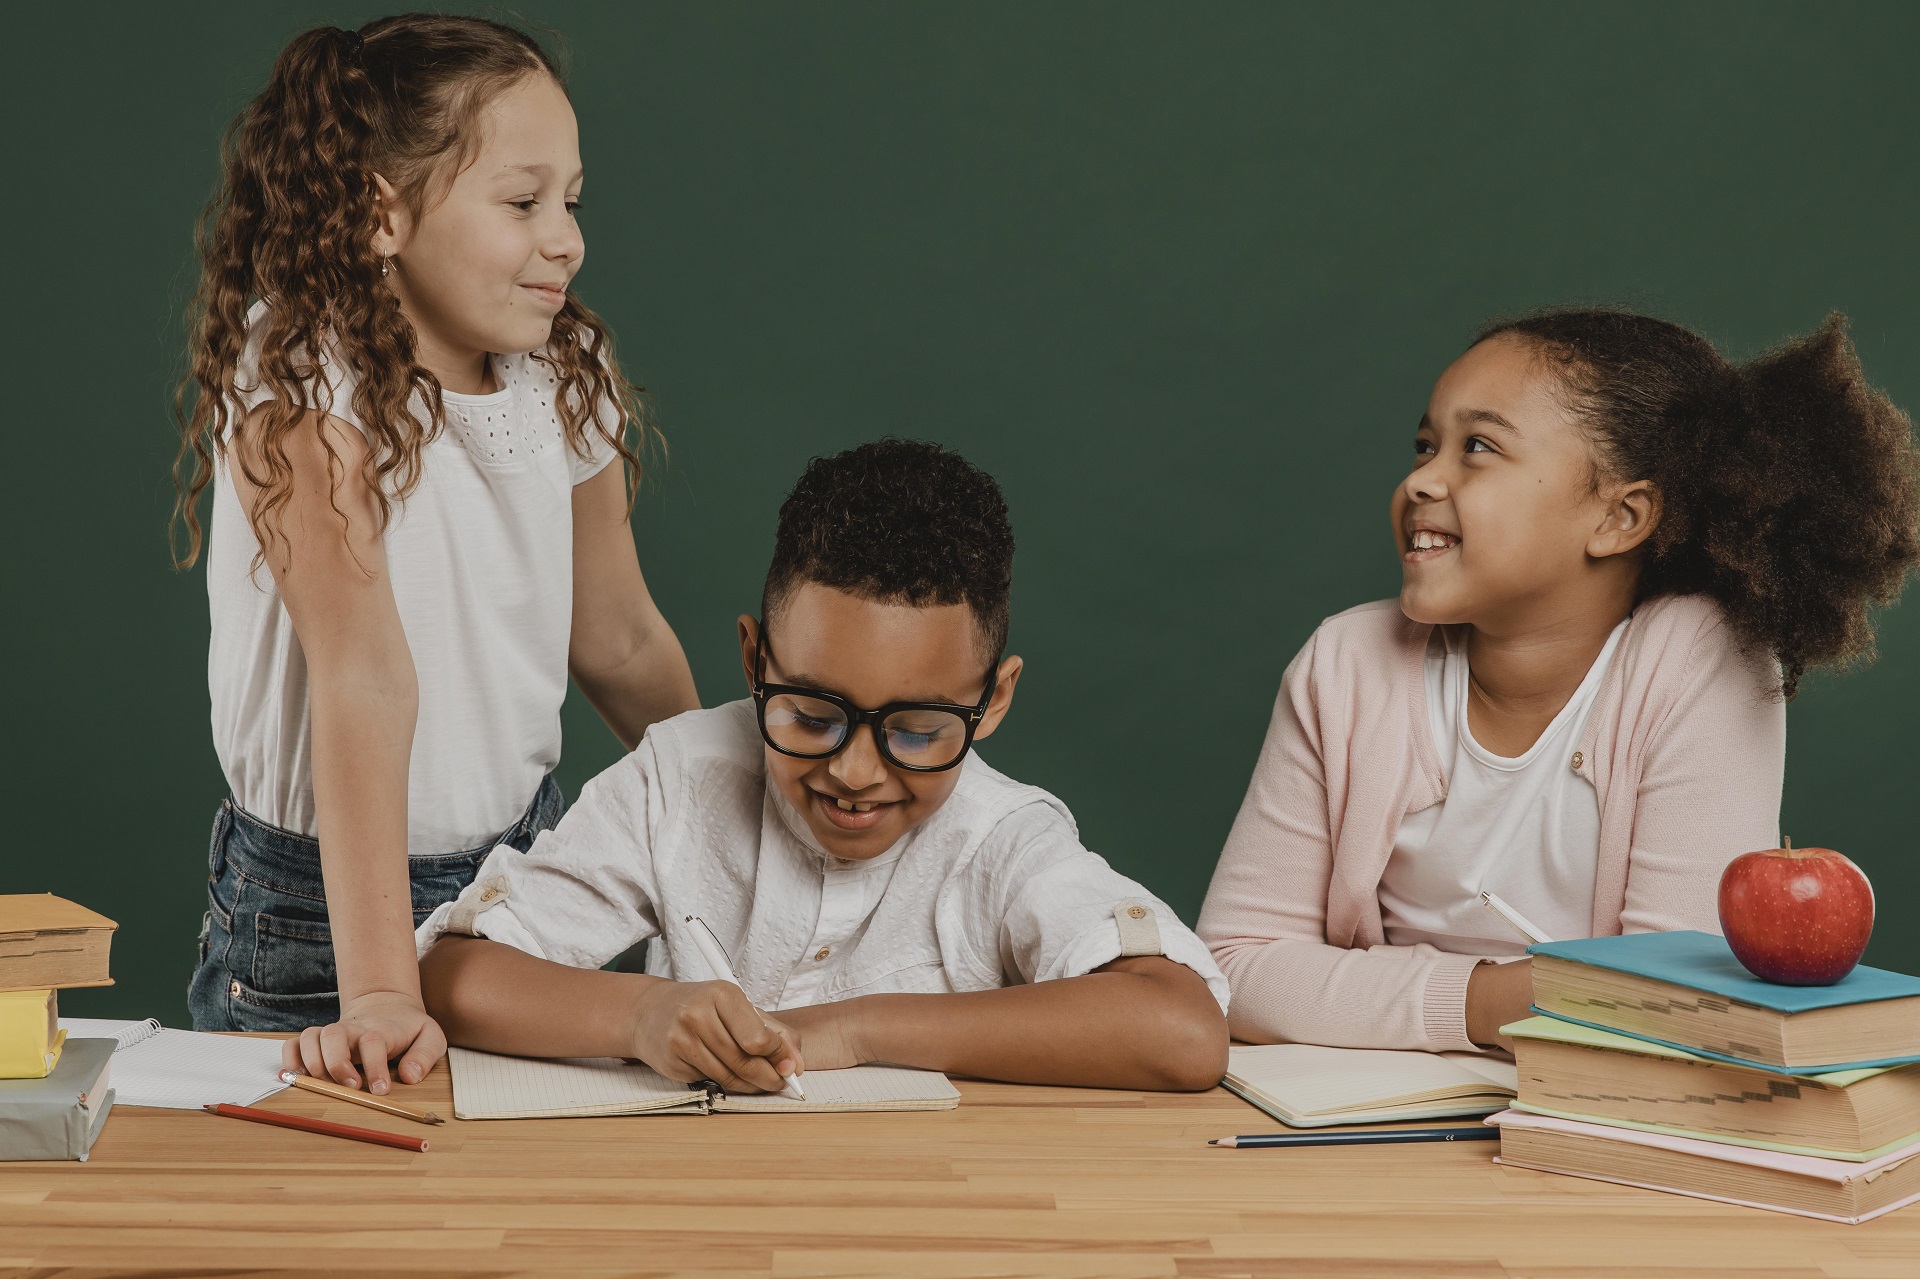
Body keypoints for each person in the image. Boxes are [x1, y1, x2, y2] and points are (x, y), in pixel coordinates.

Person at [173, 15, 699, 1093]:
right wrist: (374, 992)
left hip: (516, 880)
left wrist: (725, 819)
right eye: (523, 202)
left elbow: (619, 634)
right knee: (323, 1212)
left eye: (572, 201)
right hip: (323, 915)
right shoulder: (305, 381)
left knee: (500, 1204)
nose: (568, 238)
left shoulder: (563, 367)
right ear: (382, 213)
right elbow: (363, 675)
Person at [1199, 310, 1920, 1053]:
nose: (1421, 479)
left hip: (1591, 1134)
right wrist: (1497, 999)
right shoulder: (1346, 662)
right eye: (1425, 445)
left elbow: (1669, 1003)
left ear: (1620, 516)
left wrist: (1365, 994)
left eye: (1477, 447)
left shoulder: (1699, 658)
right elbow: (1234, 967)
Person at [416, 440, 1229, 1092]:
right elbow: (454, 974)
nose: (855, 770)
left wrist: (851, 1027)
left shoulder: (1003, 838)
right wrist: (641, 1012)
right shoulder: (680, 777)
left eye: (915, 729)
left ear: (996, 698)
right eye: (811, 715)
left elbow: (1182, 1028)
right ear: (753, 659)